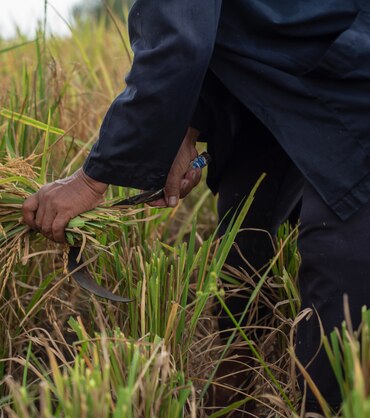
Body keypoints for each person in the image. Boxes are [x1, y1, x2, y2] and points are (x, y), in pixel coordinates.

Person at [22, 0, 370, 414]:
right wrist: (186, 131)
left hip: (347, 72)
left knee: (338, 259)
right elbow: (218, 27)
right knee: (242, 230)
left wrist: (89, 181)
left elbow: (178, 45)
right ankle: (236, 376)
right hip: (285, 79)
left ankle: (332, 404)